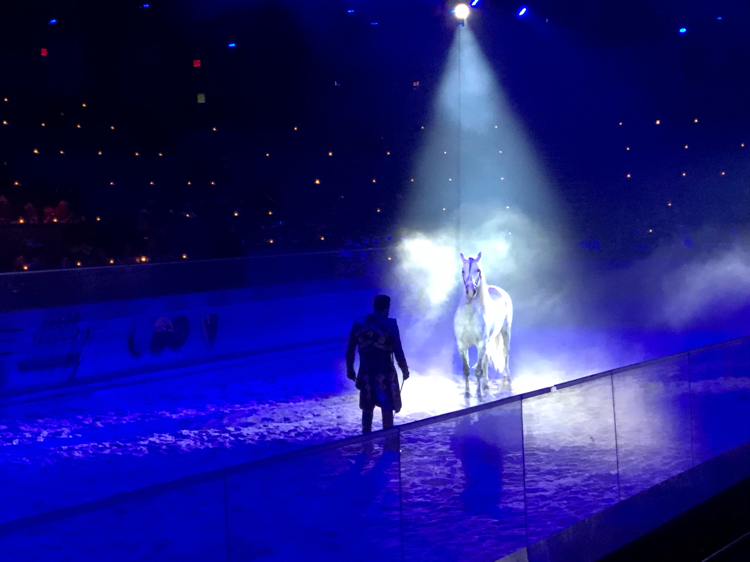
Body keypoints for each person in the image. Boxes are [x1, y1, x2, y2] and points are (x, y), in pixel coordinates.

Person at [346, 294, 410, 436]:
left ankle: (366, 441)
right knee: (387, 407)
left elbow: (350, 349)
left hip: (366, 372)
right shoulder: (390, 324)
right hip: (385, 372)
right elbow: (398, 349)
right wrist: (404, 369)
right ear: (387, 307)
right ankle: (388, 441)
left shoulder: (359, 322)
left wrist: (350, 369)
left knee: (367, 408)